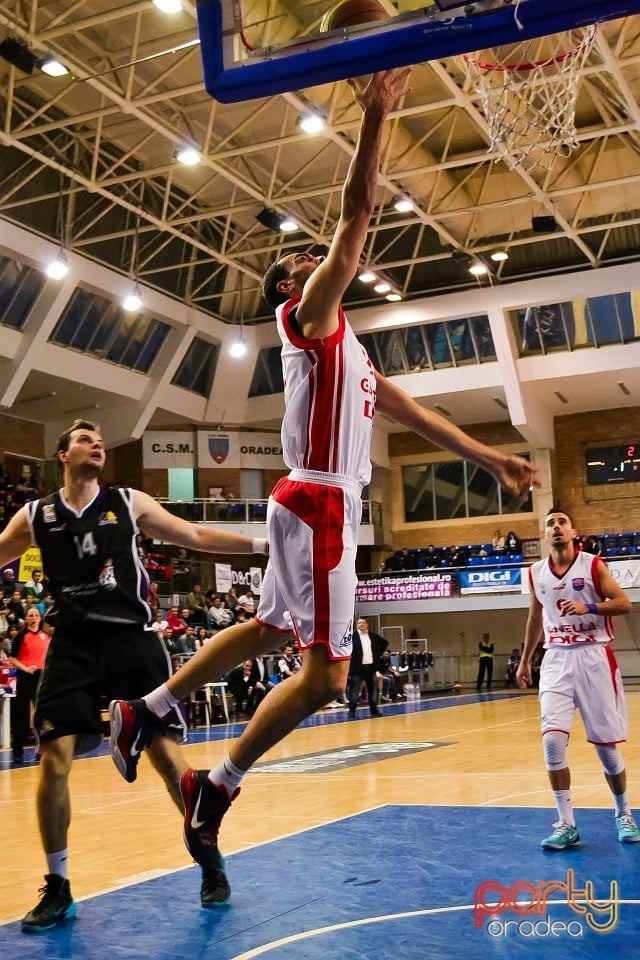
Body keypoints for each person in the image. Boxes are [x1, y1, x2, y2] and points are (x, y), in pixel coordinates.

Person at [109, 68, 539, 905]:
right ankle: (218, 783)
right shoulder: (308, 321)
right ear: (289, 288)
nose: (321, 261)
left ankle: (144, 710)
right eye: (305, 261)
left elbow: (412, 415)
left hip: (310, 504)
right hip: (320, 502)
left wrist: (492, 463)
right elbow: (356, 219)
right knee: (328, 679)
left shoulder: (353, 354)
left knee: (271, 630)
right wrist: (376, 113)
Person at [0, 419, 268, 931]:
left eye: (100, 438)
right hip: (73, 647)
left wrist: (260, 547)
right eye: (83, 437)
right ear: (62, 455)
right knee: (53, 762)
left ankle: (210, 863)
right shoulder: (36, 515)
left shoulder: (128, 501)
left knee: (167, 759)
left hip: (131, 642)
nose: (96, 443)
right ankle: (58, 887)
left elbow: (190, 534)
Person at [517, 506, 640, 850]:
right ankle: (566, 823)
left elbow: (624, 603)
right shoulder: (536, 573)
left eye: (562, 522)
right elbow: (534, 617)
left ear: (573, 532)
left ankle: (624, 813)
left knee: (607, 749)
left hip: (595, 656)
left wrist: (591, 607)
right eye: (550, 524)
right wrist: (526, 660)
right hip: (556, 659)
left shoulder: (592, 564)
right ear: (544, 535)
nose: (556, 527)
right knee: (552, 743)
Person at [9, 606, 50, 762]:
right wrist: (26, 668)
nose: (33, 618)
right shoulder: (21, 636)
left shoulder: (46, 636)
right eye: (30, 615)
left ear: (40, 618)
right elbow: (12, 658)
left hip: (41, 677)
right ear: (26, 618)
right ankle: (18, 752)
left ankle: (41, 750)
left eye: (36, 615)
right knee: (22, 715)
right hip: (26, 676)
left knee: (42, 715)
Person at [347, 616, 387, 718]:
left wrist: (379, 654)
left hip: (371, 667)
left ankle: (374, 711)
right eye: (359, 623)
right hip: (357, 668)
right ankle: (352, 711)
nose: (361, 624)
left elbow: (385, 643)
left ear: (367, 624)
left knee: (373, 690)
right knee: (354, 690)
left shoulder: (372, 636)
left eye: (363, 623)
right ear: (356, 625)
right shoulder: (352, 636)